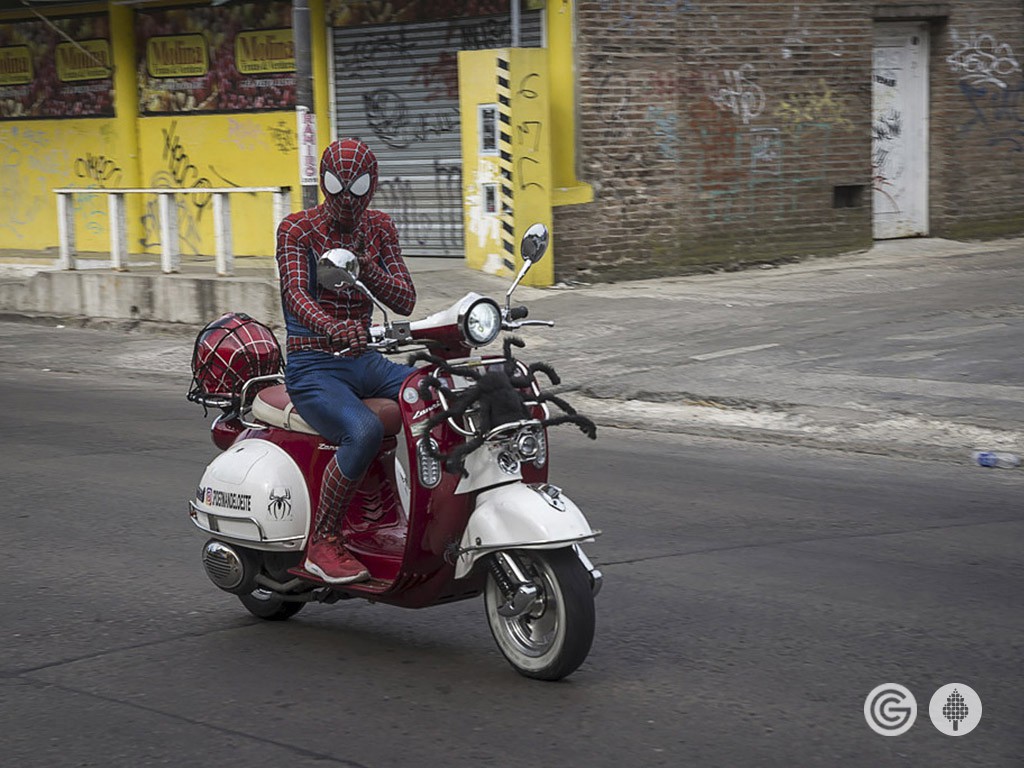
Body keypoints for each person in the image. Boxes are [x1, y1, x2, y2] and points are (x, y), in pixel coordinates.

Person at [275, 138, 416, 584]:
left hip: (364, 359)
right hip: (312, 364)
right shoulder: (296, 229)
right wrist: (332, 327)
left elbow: (405, 299)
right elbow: (295, 294)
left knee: (435, 392)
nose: (345, 200)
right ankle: (324, 540)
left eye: (356, 189)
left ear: (371, 187)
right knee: (363, 429)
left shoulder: (379, 228)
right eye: (336, 186)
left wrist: (366, 268)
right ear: (323, 181)